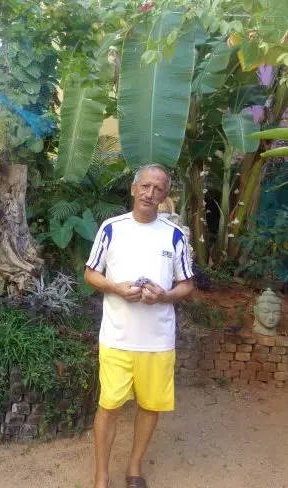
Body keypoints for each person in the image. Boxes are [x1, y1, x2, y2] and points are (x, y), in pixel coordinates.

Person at [84, 164, 195, 488]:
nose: (150, 193)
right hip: (117, 337)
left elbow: (187, 285)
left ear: (164, 195)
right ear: (134, 189)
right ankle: (101, 475)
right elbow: (90, 274)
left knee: (150, 406)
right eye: (145, 186)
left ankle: (134, 468)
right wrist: (116, 288)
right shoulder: (111, 228)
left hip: (157, 340)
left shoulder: (174, 235)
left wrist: (164, 296)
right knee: (108, 406)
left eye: (158, 189)